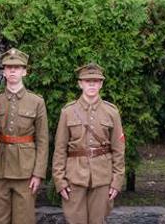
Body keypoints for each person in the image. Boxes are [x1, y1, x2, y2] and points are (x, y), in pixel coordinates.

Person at [52, 63, 125, 224]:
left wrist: (117, 181)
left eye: (96, 81)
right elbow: (60, 149)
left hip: (102, 177)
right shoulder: (68, 112)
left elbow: (118, 150)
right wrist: (60, 181)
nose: (91, 84)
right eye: (87, 81)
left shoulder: (111, 112)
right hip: (74, 177)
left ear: (101, 84)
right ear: (80, 83)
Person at [0, 48, 49, 224]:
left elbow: (43, 141)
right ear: (4, 72)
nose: (13, 71)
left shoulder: (36, 102)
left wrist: (38, 174)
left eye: (17, 67)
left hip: (26, 171)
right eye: (8, 67)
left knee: (24, 219)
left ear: (24, 71)